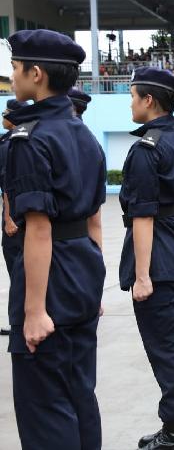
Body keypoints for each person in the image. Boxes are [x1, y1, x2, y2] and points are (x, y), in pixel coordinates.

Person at [5, 29, 106, 450]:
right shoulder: (82, 133)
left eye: (15, 68)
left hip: (52, 275)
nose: (11, 77)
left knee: (45, 403)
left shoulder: (30, 141)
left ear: (36, 73)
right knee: (79, 391)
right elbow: (94, 216)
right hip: (82, 266)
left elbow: (39, 228)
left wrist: (33, 310)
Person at [119, 66, 174, 450]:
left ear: (148, 100)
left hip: (160, 255)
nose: (131, 102)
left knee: (167, 347)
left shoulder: (147, 148)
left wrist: (143, 274)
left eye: (133, 95)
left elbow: (143, 215)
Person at [0, 99, 28, 336]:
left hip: (17, 217)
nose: (3, 117)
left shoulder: (12, 143)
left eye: (5, 113)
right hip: (22, 215)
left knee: (18, 271)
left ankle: (20, 322)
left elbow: (7, 185)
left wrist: (9, 218)